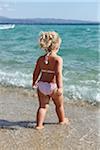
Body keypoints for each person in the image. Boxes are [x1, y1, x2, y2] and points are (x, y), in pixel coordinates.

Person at [32, 31, 69, 129]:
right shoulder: (58, 59)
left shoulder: (40, 59)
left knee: (42, 107)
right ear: (56, 46)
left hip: (41, 86)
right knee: (59, 105)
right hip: (53, 86)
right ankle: (62, 120)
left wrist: (34, 82)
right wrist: (60, 87)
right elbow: (58, 74)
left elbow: (36, 72)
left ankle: (39, 125)